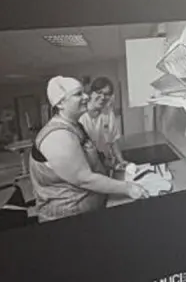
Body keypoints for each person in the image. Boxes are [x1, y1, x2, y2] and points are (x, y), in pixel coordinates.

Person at [29, 76, 149, 222]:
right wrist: (128, 188)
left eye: (84, 92)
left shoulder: (75, 126)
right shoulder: (57, 136)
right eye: (78, 94)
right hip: (68, 217)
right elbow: (85, 179)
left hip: (93, 205)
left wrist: (113, 164)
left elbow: (92, 157)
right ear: (60, 103)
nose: (86, 97)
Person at [79, 77, 123, 168]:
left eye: (106, 94)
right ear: (91, 93)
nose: (103, 97)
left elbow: (113, 141)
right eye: (99, 92)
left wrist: (121, 161)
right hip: (87, 166)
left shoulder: (108, 114)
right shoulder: (81, 116)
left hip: (106, 164)